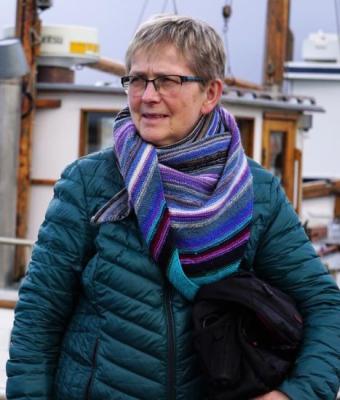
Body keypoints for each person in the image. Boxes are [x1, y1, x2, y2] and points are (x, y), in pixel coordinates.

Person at [6, 14, 340, 400]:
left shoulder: (255, 192)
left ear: (210, 94)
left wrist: (296, 394)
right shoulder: (89, 184)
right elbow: (38, 319)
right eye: (136, 79)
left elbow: (323, 305)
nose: (147, 95)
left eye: (167, 80)